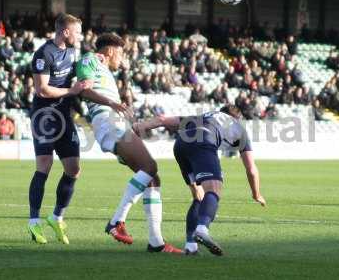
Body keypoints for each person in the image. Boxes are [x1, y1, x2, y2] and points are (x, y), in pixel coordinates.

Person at [76, 33, 182, 253]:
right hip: (106, 121)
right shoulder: (90, 59)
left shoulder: (106, 72)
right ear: (111, 50)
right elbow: (84, 90)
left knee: (152, 179)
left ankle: (156, 243)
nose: (122, 58)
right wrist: (112, 103)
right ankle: (116, 221)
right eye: (121, 52)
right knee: (150, 167)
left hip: (114, 122)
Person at [133, 105, 266, 256]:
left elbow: (162, 120)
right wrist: (256, 193)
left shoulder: (201, 117)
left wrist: (140, 126)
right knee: (214, 189)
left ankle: (191, 246)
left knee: (199, 195)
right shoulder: (238, 127)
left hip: (180, 144)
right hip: (204, 141)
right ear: (237, 118)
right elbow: (251, 170)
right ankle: (202, 229)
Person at [27, 13, 93, 244]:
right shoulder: (44, 54)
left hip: (64, 116)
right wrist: (71, 91)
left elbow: (78, 77)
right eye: (77, 31)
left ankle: (56, 217)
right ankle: (34, 222)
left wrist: (89, 75)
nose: (80, 35)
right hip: (45, 116)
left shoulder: (73, 52)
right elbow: (42, 90)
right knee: (44, 165)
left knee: (74, 169)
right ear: (65, 31)